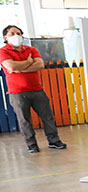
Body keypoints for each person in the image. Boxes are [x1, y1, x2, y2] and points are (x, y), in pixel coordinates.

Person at [0, 25, 67, 153]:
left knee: (47, 117)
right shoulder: (3, 51)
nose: (16, 36)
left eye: (18, 33)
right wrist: (29, 62)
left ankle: (54, 141)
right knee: (24, 120)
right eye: (12, 33)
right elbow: (11, 66)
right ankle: (31, 144)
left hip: (37, 90)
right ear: (5, 37)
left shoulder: (31, 49)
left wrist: (20, 67)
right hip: (17, 93)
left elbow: (40, 64)